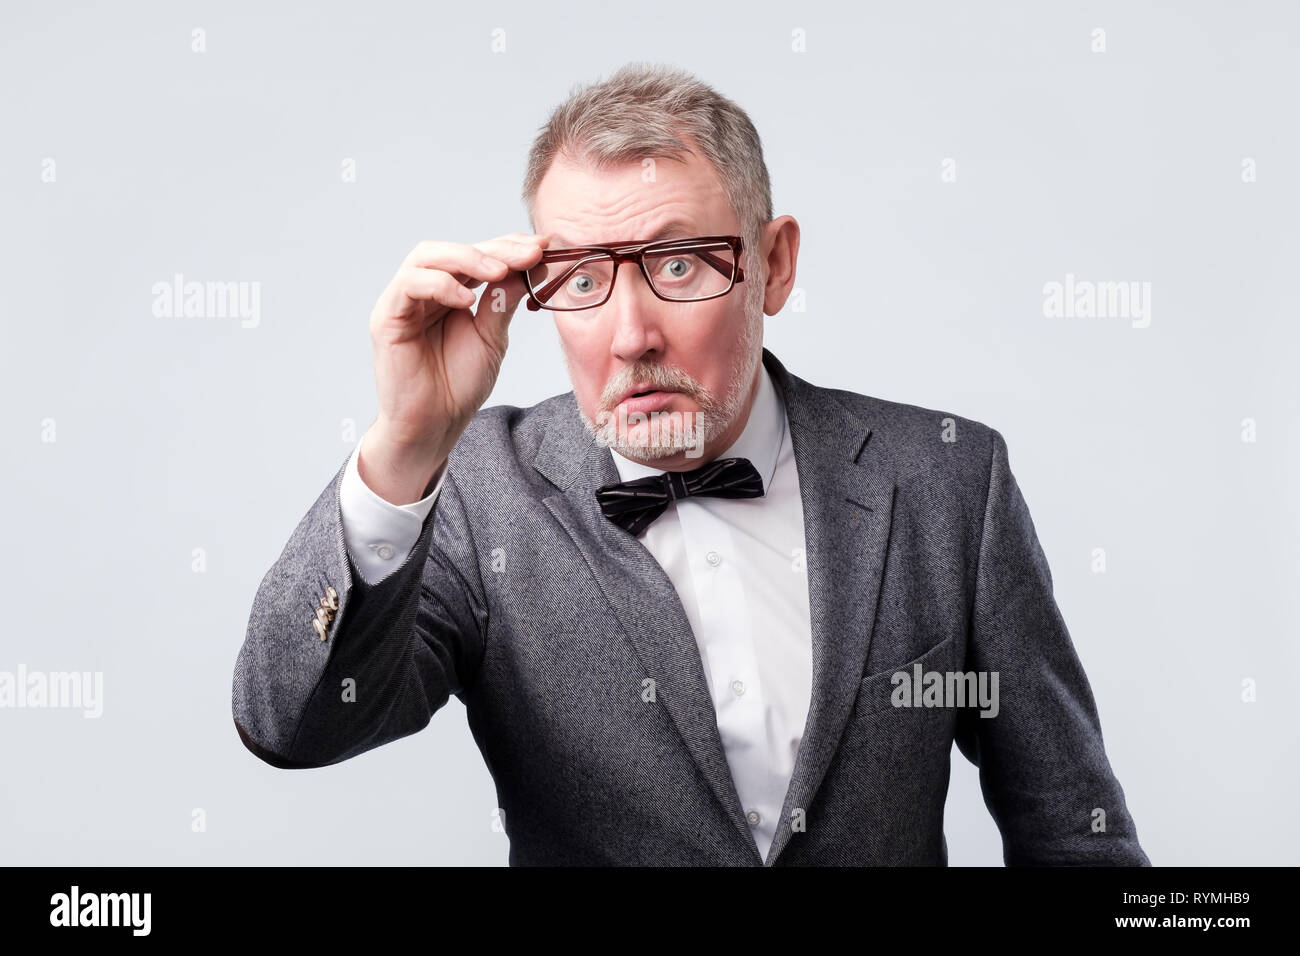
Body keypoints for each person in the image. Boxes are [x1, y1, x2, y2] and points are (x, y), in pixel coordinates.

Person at [231, 61, 1150, 867]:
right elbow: (292, 726)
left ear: (774, 264)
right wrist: (405, 442)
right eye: (584, 279)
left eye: (678, 264)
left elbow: (1075, 835)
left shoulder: (949, 481)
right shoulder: (475, 494)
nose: (631, 335)